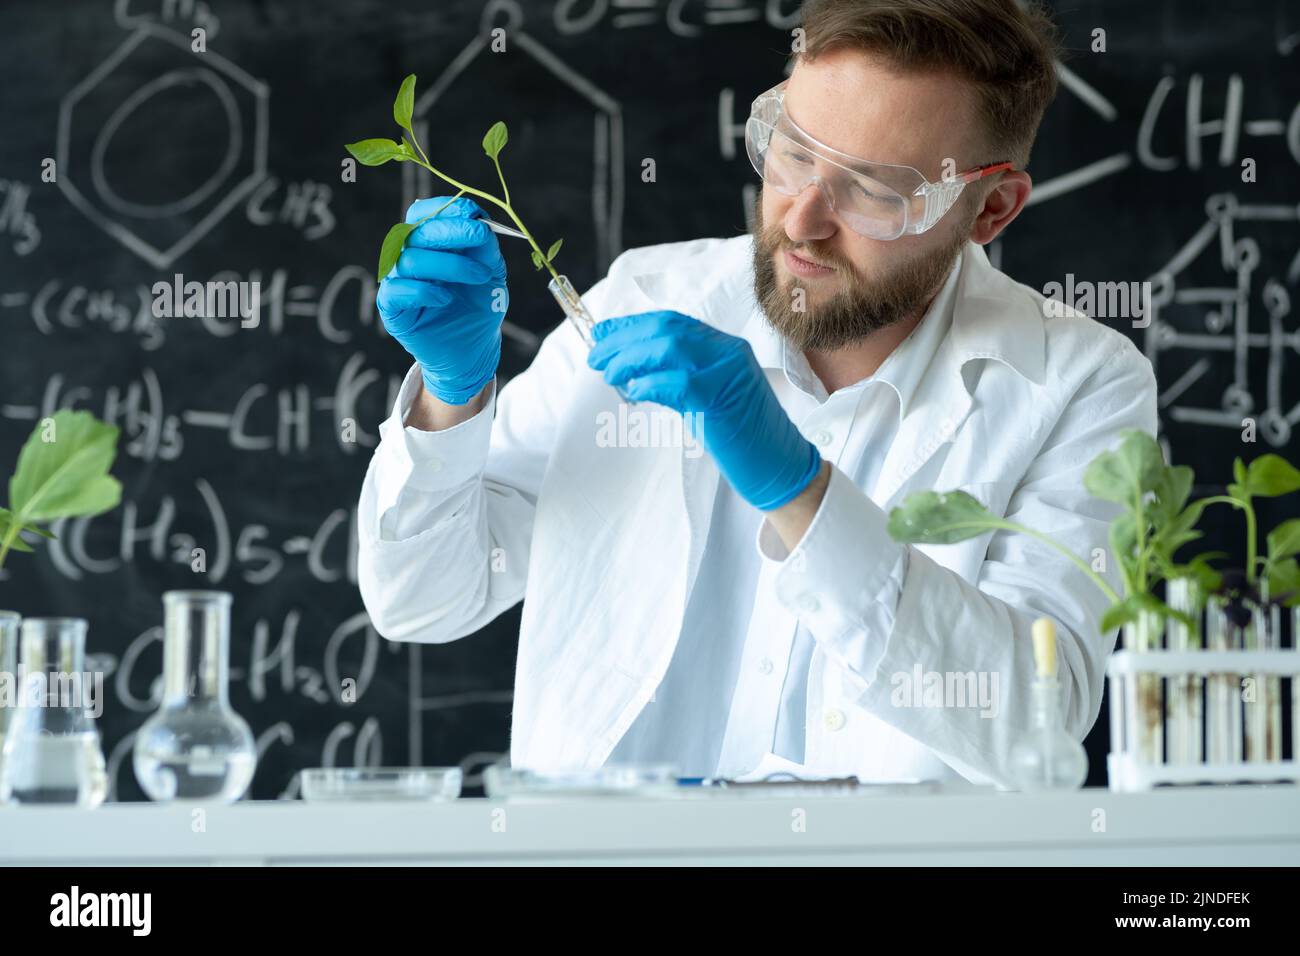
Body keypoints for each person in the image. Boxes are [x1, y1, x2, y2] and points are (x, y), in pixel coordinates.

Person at [357, 0, 1157, 786]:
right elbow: (422, 601)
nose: (803, 220)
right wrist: (452, 403)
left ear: (989, 209)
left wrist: (800, 492)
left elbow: (1034, 720)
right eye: (795, 152)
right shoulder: (643, 299)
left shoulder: (1078, 383)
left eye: (875, 189)